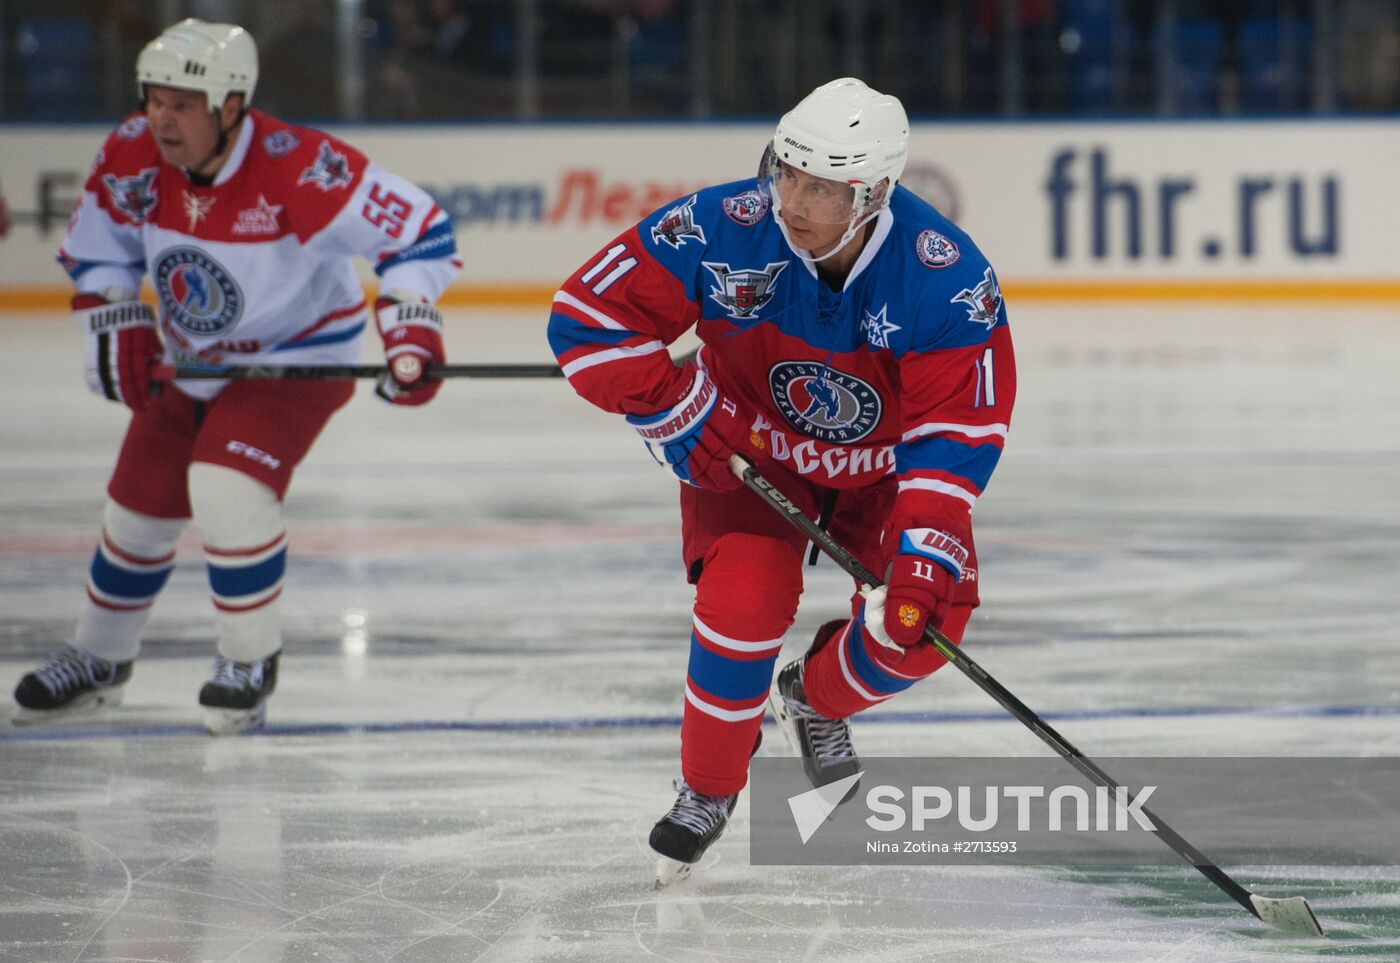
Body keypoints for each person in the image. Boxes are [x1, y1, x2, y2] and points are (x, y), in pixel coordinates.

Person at [547, 78, 1016, 883]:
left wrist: (924, 548)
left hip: (885, 479)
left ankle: (817, 697)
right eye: (785, 172)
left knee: (917, 621)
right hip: (748, 455)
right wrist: (673, 407)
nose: (792, 200)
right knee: (740, 609)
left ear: (871, 195)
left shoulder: (945, 278)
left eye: (821, 187)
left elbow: (956, 434)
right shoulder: (722, 225)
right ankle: (708, 788)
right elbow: (586, 316)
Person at [12, 19, 460, 735]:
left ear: (230, 107)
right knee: (138, 507)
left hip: (298, 358)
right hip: (193, 356)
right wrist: (112, 309)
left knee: (225, 488)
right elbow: (100, 247)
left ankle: (247, 663)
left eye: (182, 103)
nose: (161, 117)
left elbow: (420, 231)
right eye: (154, 98)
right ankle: (100, 659)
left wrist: (410, 322)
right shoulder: (132, 152)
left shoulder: (301, 165)